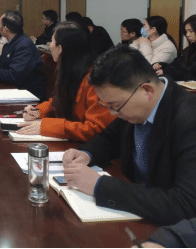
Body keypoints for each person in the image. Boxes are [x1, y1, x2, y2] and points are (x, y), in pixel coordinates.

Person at [62, 46, 196, 225]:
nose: (112, 113)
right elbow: (109, 138)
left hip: (167, 226)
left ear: (147, 91)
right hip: (134, 213)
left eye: (115, 106)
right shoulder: (133, 106)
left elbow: (185, 203)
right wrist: (86, 154)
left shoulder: (189, 119)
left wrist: (100, 186)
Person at [16, 22, 115, 141]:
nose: (49, 45)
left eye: (51, 41)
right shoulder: (69, 70)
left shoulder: (96, 80)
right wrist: (38, 111)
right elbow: (58, 100)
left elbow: (96, 129)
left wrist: (48, 126)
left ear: (60, 48)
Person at [160, 15, 196, 81]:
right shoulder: (189, 50)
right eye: (186, 31)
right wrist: (161, 65)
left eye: (191, 31)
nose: (187, 35)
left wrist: (168, 72)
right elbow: (177, 65)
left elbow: (191, 74)